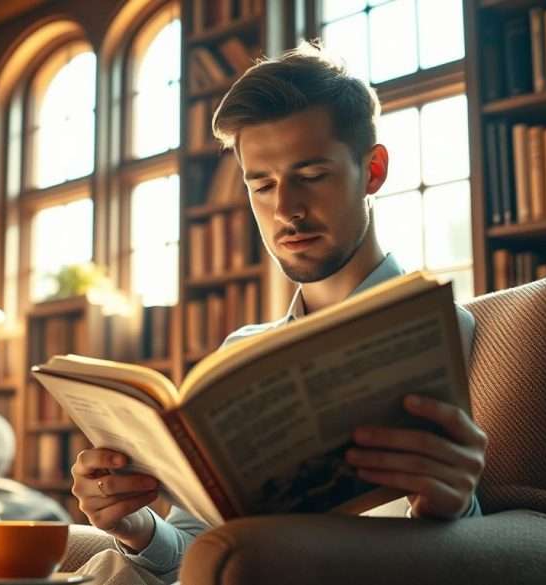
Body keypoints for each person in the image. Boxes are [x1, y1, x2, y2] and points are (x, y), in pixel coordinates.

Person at [72, 40, 489, 585]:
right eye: (261, 185)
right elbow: (200, 551)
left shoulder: (451, 336)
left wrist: (454, 509)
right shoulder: (242, 350)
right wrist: (137, 527)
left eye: (311, 175)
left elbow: (503, 544)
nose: (285, 210)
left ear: (373, 171)